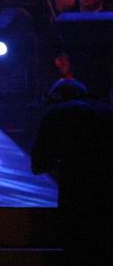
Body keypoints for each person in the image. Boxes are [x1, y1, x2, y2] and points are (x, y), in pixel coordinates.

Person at [31, 79, 113, 262]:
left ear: (57, 97)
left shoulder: (59, 112)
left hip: (77, 196)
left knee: (76, 249)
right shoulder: (108, 111)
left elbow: (39, 163)